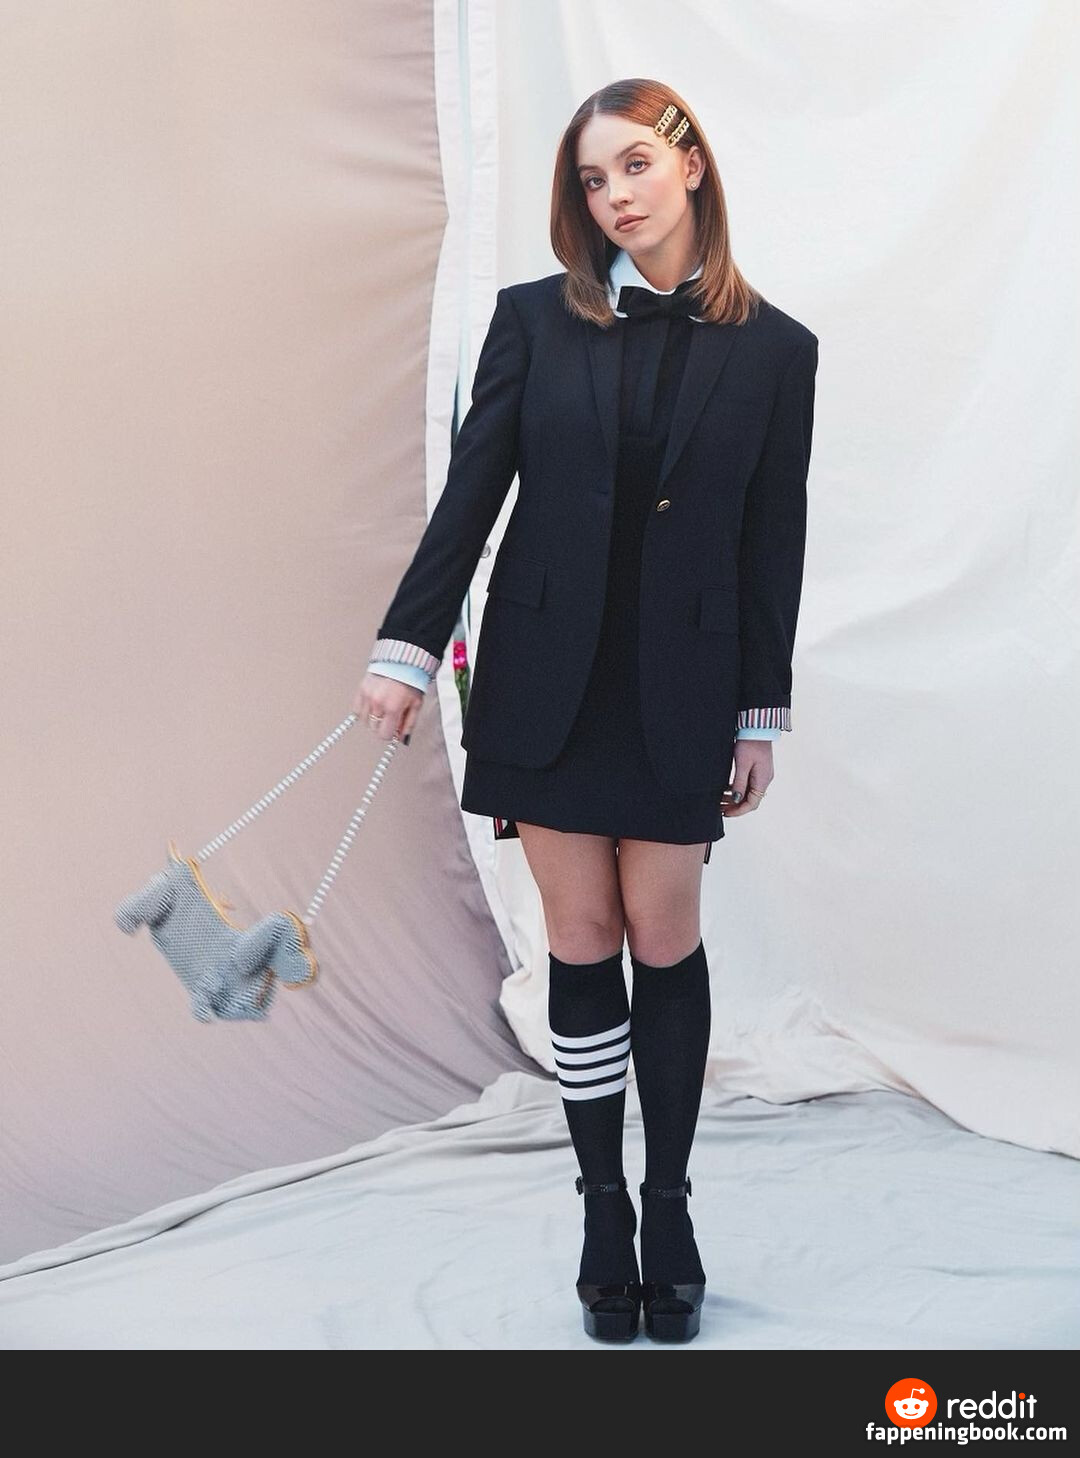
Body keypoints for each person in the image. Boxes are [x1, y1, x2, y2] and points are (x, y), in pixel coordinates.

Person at [353, 79, 818, 1344]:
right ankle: (603, 1210)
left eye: (634, 167)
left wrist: (759, 712)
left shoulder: (777, 351)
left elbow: (772, 542)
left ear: (690, 165)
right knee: (581, 933)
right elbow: (470, 502)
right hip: (544, 678)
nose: (614, 195)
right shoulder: (531, 322)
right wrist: (407, 651)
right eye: (593, 180)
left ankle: (670, 1207)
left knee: (663, 934)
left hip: (683, 687)